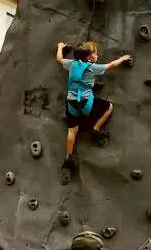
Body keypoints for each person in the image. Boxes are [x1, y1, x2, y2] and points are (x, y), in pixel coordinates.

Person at [56, 40, 132, 174]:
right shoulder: (93, 68)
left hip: (72, 103)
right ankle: (96, 128)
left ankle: (68, 157)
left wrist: (60, 47)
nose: (97, 55)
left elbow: (59, 59)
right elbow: (110, 65)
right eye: (95, 54)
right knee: (109, 107)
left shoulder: (72, 64)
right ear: (89, 58)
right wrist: (122, 58)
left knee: (72, 130)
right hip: (86, 104)